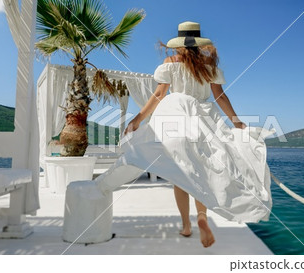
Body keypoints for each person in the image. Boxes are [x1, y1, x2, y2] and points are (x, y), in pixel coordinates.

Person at [99, 21, 273, 248]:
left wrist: (138, 119)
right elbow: (220, 97)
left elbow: (160, 94)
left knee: (180, 172)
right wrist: (237, 122)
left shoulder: (170, 63)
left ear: (179, 44)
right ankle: (201, 217)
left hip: (177, 117)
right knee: (200, 170)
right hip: (205, 120)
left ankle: (186, 225)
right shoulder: (209, 64)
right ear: (198, 42)